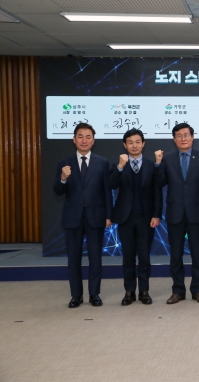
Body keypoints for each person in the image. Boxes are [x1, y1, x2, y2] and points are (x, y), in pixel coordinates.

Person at [155, 123, 199, 304]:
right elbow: (159, 182)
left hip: (196, 213)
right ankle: (178, 290)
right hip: (175, 212)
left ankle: (197, 289)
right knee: (175, 255)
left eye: (186, 135)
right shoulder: (167, 159)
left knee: (197, 254)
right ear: (174, 139)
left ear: (192, 137)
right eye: (179, 136)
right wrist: (158, 164)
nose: (183, 139)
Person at [53, 123, 112, 308]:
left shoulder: (102, 163)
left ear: (93, 141)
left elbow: (107, 191)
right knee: (73, 258)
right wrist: (63, 178)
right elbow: (57, 190)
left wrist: (109, 216)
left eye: (88, 137)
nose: (84, 140)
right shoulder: (64, 163)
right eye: (80, 136)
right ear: (74, 139)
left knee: (95, 258)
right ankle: (76, 295)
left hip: (96, 216)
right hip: (73, 217)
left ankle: (94, 294)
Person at [109, 128, 162, 306]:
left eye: (137, 142)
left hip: (146, 218)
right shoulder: (119, 165)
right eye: (130, 142)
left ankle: (144, 291)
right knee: (128, 256)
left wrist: (157, 215)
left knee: (144, 257)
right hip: (125, 218)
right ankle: (129, 291)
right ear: (125, 145)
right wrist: (120, 166)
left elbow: (157, 192)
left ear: (143, 144)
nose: (134, 145)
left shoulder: (151, 165)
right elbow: (111, 184)